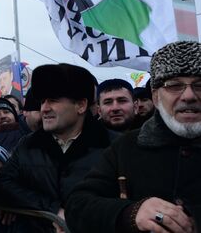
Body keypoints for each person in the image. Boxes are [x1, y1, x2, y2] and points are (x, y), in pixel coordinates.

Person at [65, 40, 201, 233]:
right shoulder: (126, 146)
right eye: (174, 85)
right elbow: (78, 205)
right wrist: (130, 213)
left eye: (200, 84)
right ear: (156, 96)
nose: (189, 95)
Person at [0, 63, 115, 232]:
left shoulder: (113, 146)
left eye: (53, 100)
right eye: (42, 101)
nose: (44, 108)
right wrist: (52, 210)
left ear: (81, 105)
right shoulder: (29, 145)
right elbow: (0, 185)